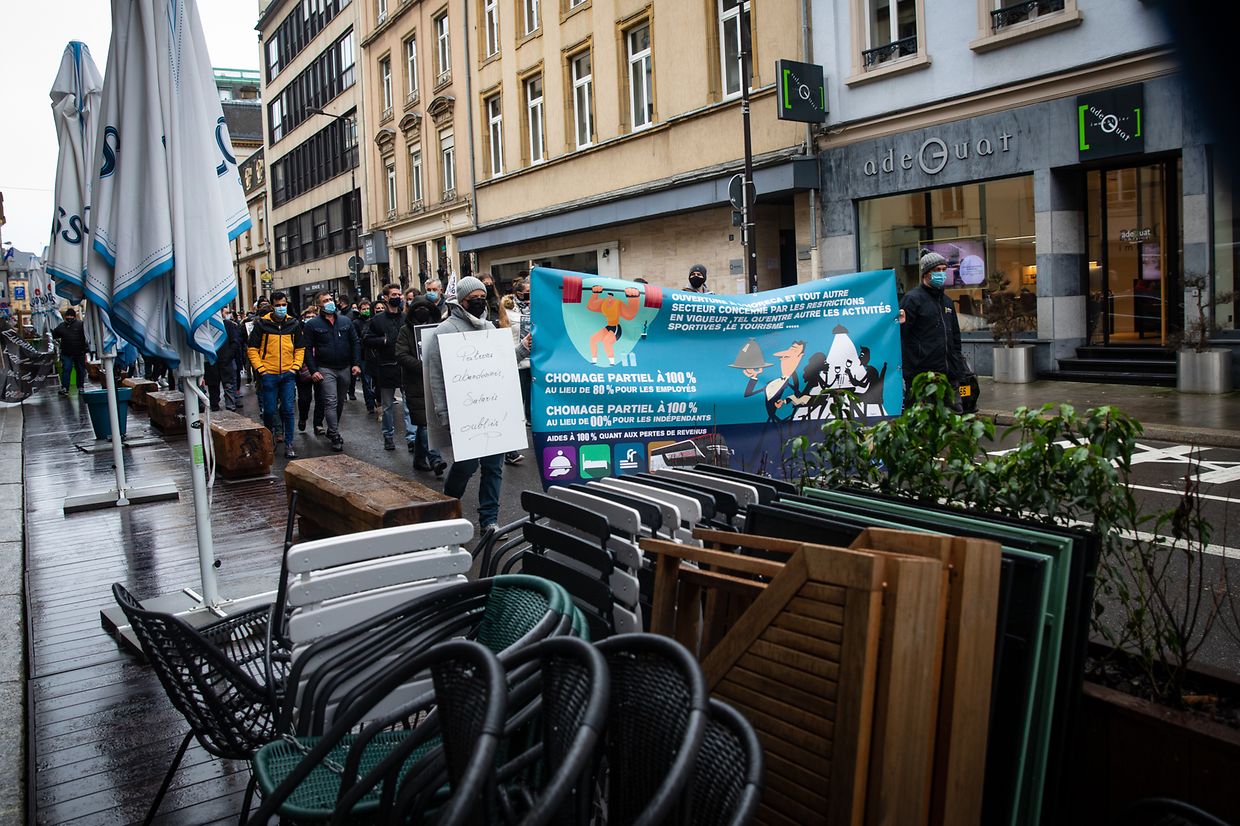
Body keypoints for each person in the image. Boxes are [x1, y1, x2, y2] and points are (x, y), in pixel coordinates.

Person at [425, 275, 530, 531]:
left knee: (494, 468)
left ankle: (489, 520)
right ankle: (448, 506)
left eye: (483, 297)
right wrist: (443, 413)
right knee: (466, 466)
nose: (480, 301)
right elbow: (436, 376)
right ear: (462, 300)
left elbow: (503, 362)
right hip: (465, 414)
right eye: (474, 298)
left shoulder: (489, 328)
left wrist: (523, 348)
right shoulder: (445, 330)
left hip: (493, 410)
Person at [899, 250, 966, 410]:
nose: (941, 274)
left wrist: (957, 366)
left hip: (949, 376)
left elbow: (955, 337)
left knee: (954, 418)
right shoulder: (912, 299)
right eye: (937, 270)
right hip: (922, 377)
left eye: (944, 269)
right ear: (926, 273)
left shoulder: (947, 302)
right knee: (923, 420)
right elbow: (901, 336)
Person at [246, 292, 304, 458]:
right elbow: (252, 349)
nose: (281, 308)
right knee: (270, 410)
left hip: (287, 374)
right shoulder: (262, 324)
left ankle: (289, 443)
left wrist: (294, 367)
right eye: (278, 305)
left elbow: (300, 348)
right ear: (272, 306)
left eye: (283, 305)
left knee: (288, 409)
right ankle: (269, 438)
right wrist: (261, 370)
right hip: (269, 374)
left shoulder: (293, 324)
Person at [302, 290, 362, 451]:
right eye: (325, 300)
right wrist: (313, 370)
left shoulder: (345, 321)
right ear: (318, 305)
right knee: (330, 400)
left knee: (340, 401)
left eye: (330, 299)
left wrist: (356, 364)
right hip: (325, 367)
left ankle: (331, 428)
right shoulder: (312, 325)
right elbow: (307, 349)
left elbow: (355, 342)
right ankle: (335, 434)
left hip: (344, 367)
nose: (329, 302)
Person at [396, 294, 447, 476]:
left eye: (425, 308)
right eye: (418, 309)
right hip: (415, 383)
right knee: (425, 423)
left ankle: (419, 459)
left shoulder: (439, 329)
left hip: (436, 382)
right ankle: (435, 459)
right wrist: (423, 366)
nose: (422, 311)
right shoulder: (405, 331)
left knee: (423, 424)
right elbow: (401, 355)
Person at [365, 283, 406, 451]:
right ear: (386, 298)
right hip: (386, 366)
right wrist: (383, 341)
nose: (397, 297)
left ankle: (411, 438)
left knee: (408, 405)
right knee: (388, 406)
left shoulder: (405, 318)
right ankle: (388, 436)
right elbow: (367, 339)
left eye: (399, 294)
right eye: (394, 295)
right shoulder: (377, 320)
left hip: (404, 366)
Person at [204, 308, 240, 411]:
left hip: (226, 362)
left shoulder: (228, 325)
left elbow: (235, 342)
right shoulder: (206, 325)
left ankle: (230, 407)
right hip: (211, 362)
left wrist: (228, 356)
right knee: (213, 388)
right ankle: (215, 408)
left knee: (228, 386)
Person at [52, 307, 88, 395]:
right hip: (76, 352)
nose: (69, 317)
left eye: (70, 316)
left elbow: (54, 334)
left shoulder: (63, 325)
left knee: (68, 370)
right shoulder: (81, 324)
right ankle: (79, 387)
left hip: (72, 352)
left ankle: (66, 388)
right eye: (68, 316)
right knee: (77, 370)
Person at [355, 301, 378, 415]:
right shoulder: (356, 323)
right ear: (359, 310)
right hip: (363, 356)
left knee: (376, 381)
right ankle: (370, 404)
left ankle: (377, 399)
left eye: (368, 308)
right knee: (366, 381)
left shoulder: (374, 321)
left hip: (375, 355)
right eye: (363, 309)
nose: (366, 311)